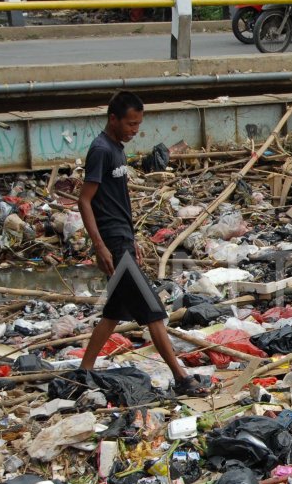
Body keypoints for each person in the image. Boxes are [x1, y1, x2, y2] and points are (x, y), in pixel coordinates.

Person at [77, 91, 211, 398]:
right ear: (113, 118)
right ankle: (181, 377)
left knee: (114, 312)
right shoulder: (101, 150)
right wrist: (100, 245)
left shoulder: (118, 150)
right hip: (112, 243)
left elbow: (118, 201)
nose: (134, 130)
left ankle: (84, 370)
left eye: (138, 124)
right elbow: (85, 200)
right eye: (130, 123)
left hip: (123, 239)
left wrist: (133, 237)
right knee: (153, 311)